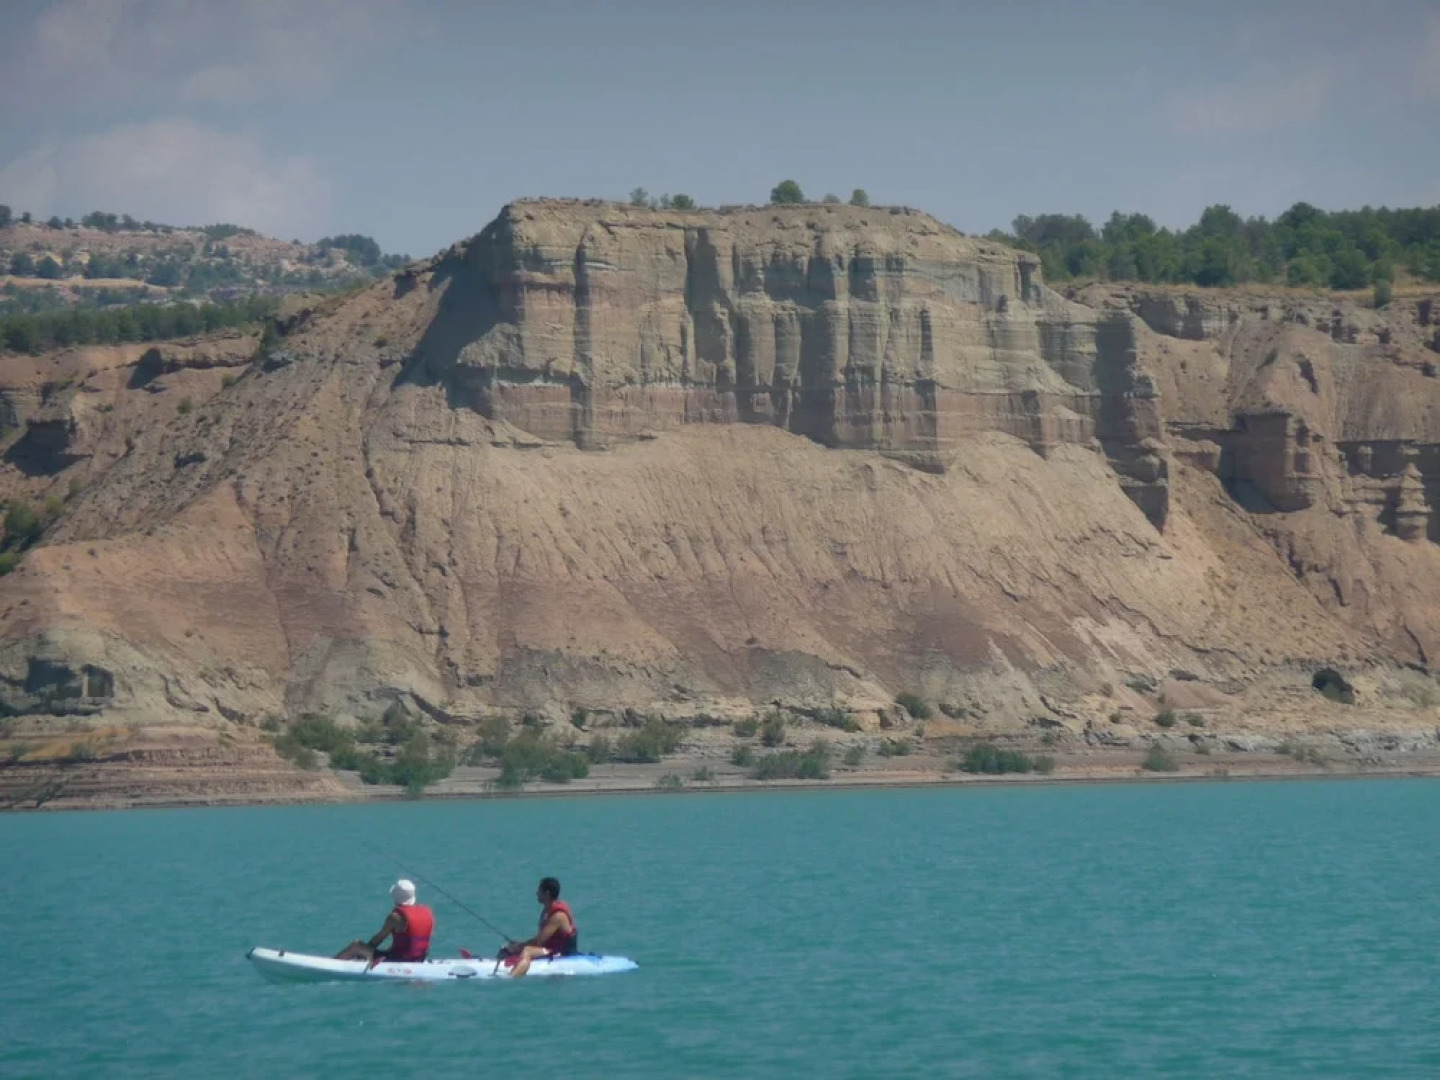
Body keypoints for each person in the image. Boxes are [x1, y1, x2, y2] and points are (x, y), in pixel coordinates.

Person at [335, 879, 435, 966]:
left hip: (399, 960)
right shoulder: (427, 912)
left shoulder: (395, 917)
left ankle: (333, 964)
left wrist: (364, 953)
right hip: (419, 959)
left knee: (356, 945)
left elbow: (378, 940)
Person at [501, 877, 578, 977]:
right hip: (549, 948)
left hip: (561, 952)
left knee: (527, 951)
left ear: (547, 894)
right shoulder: (547, 910)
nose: (537, 893)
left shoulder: (558, 916)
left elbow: (539, 942)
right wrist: (517, 945)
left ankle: (510, 978)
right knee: (506, 949)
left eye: (539, 891)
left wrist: (520, 946)